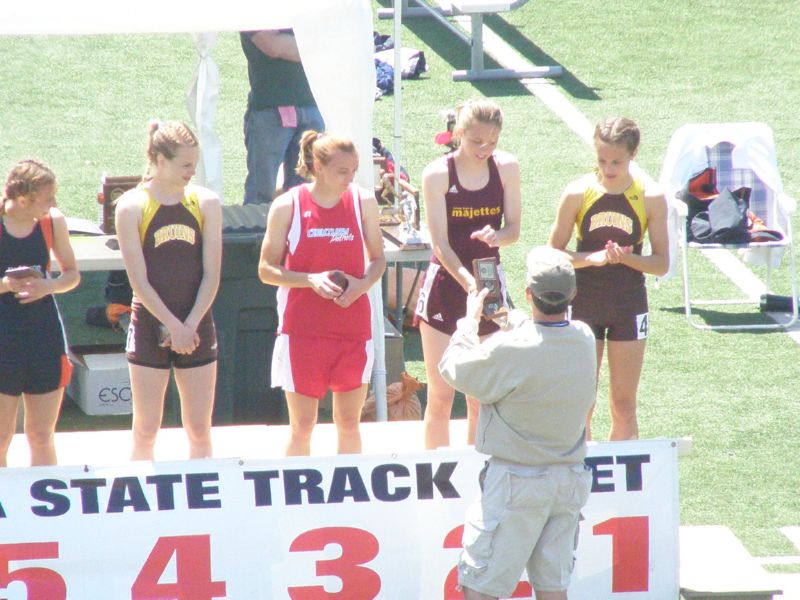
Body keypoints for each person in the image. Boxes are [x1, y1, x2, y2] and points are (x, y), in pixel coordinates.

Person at [439, 246, 596, 600]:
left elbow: (453, 367)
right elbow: (546, 333)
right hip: (567, 481)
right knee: (553, 588)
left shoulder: (508, 348)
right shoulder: (584, 338)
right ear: (572, 294)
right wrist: (511, 320)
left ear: (528, 294)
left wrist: (469, 320)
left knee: (480, 589)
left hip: (516, 484)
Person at [258, 131, 386, 456]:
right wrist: (310, 280)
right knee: (302, 426)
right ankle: (295, 502)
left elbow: (378, 260)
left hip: (352, 330)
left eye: (354, 170)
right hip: (303, 332)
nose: (350, 178)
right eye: (342, 171)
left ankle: (352, 500)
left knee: (348, 423)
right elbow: (266, 270)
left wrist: (361, 285)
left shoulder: (363, 202)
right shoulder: (287, 205)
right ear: (318, 166)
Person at [548, 116, 669, 440]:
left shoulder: (650, 196)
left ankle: (626, 487)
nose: (609, 168)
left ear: (633, 154)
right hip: (584, 301)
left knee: (624, 404)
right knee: (582, 403)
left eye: (617, 161)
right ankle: (581, 478)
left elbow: (661, 264)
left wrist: (625, 258)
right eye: (602, 160)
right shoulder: (578, 192)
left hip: (628, 304)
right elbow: (552, 254)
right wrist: (592, 258)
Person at [414, 98, 521, 449]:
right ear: (459, 133)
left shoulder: (506, 167)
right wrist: (467, 281)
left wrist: (497, 236)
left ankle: (480, 473)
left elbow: (514, 230)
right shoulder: (438, 173)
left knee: (481, 397)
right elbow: (440, 243)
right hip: (449, 280)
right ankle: (436, 481)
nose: (484, 149)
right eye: (476, 142)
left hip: (489, 281)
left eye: (492, 142)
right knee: (442, 394)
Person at [115, 120, 222, 460]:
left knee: (199, 428)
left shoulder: (205, 202)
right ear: (160, 160)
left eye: (195, 163)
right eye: (185, 164)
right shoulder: (131, 206)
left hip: (197, 322)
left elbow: (212, 274)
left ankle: (204, 506)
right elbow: (139, 281)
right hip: (149, 323)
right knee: (146, 428)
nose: (193, 171)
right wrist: (173, 325)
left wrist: (189, 324)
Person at [0, 159, 80, 467]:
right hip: (5, 341)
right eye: (48, 198)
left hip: (43, 337)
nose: (54, 203)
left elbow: (71, 274)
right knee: (2, 437)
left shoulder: (52, 221)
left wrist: (49, 286)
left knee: (42, 435)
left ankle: (48, 510)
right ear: (24, 199)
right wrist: (7, 284)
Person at [241, 29, 325, 204]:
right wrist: (317, 44)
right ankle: (259, 232)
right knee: (260, 194)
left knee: (307, 193)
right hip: (270, 111)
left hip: (312, 106)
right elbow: (272, 46)